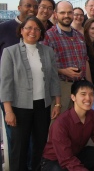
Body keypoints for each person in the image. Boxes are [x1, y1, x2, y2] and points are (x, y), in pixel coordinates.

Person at [1, 16, 61, 171]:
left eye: (36, 28)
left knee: (40, 145)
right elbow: (5, 83)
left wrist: (58, 103)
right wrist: (8, 111)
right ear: (21, 30)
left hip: (43, 105)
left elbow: (54, 79)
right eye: (28, 27)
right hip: (19, 107)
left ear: (41, 32)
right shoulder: (10, 52)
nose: (32, 31)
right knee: (19, 147)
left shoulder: (48, 52)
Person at [41, 80, 94, 171]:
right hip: (55, 160)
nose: (88, 98)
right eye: (83, 94)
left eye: (91, 94)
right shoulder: (61, 124)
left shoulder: (92, 114)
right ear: (73, 97)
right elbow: (66, 159)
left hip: (76, 154)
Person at [43, 0, 92, 112]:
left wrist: (89, 84)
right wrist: (62, 71)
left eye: (69, 12)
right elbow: (44, 65)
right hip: (61, 87)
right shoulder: (49, 36)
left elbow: (85, 60)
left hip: (80, 86)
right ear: (56, 14)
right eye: (62, 12)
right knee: (58, 123)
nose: (66, 16)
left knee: (78, 123)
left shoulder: (79, 35)